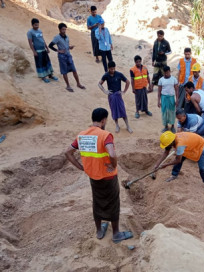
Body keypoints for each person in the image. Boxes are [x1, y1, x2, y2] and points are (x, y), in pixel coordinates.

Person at [65, 108, 133, 244]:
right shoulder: (105, 135)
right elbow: (112, 154)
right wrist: (113, 166)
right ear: (103, 120)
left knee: (97, 201)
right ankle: (116, 234)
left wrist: (81, 167)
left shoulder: (82, 135)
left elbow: (68, 153)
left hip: (93, 176)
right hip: (108, 177)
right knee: (113, 203)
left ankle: (99, 231)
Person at [154, 131, 204, 196]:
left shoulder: (180, 145)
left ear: (171, 143)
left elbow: (178, 160)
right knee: (179, 158)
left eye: (167, 145)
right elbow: (166, 152)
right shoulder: (172, 138)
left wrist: (166, 165)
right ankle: (174, 175)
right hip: (188, 145)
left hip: (199, 145)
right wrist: (157, 165)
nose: (166, 146)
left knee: (202, 168)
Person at [49, 23, 85, 92]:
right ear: (59, 30)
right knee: (64, 71)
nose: (64, 31)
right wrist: (58, 50)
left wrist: (69, 47)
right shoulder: (57, 37)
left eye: (65, 29)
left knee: (74, 70)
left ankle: (78, 83)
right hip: (62, 56)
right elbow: (50, 45)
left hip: (68, 55)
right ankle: (68, 85)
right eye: (63, 29)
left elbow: (66, 46)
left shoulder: (67, 37)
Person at [98, 61, 132, 134]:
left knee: (123, 110)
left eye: (113, 69)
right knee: (114, 111)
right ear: (108, 68)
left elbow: (128, 82)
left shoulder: (119, 74)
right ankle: (117, 125)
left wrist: (124, 91)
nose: (112, 70)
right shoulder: (106, 75)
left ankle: (128, 126)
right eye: (111, 69)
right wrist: (105, 91)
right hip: (111, 96)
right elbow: (99, 84)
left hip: (118, 95)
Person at [27, 18, 58, 83]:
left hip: (43, 49)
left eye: (38, 25)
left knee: (47, 62)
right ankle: (43, 77)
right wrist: (34, 51)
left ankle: (50, 75)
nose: (37, 26)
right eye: (35, 25)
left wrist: (47, 48)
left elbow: (42, 39)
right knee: (40, 64)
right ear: (32, 25)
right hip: (38, 51)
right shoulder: (30, 32)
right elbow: (30, 43)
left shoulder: (40, 30)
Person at [158, 66, 179, 133]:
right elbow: (159, 91)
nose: (166, 74)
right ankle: (166, 126)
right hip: (163, 98)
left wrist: (177, 99)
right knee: (164, 112)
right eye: (164, 73)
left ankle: (172, 126)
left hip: (171, 98)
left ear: (170, 71)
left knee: (172, 111)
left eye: (167, 72)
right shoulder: (161, 80)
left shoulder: (174, 79)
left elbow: (176, 90)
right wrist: (158, 101)